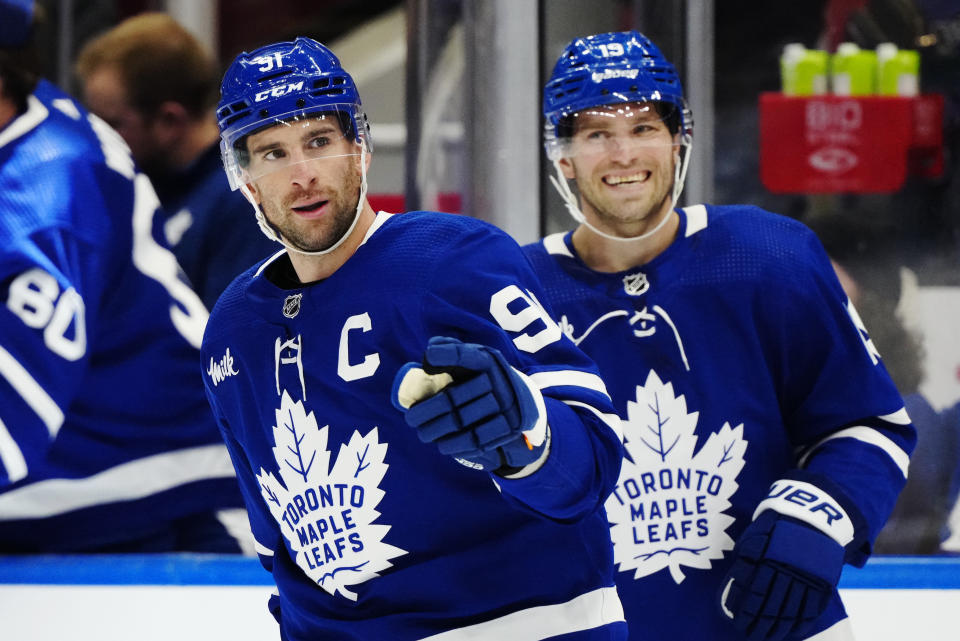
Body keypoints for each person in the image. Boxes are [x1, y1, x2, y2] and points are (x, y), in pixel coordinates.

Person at [201, 36, 627, 640]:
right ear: (243, 177)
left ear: (360, 148)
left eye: (319, 141)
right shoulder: (233, 328)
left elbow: (595, 449)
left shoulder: (453, 260)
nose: (301, 175)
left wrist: (530, 432)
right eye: (272, 153)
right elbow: (280, 545)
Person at [523, 31, 917, 641]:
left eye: (644, 127)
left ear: (679, 140)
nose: (623, 153)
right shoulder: (514, 292)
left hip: (769, 625)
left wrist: (824, 509)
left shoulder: (769, 256)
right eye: (597, 133)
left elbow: (870, 424)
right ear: (563, 157)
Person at [0, 0, 251, 553]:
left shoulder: (50, 195)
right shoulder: (31, 114)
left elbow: (10, 414)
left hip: (155, 473)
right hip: (124, 452)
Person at [75, 12, 277, 309]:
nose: (95, 139)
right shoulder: (136, 179)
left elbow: (230, 341)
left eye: (111, 124)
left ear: (169, 121)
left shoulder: (245, 201)